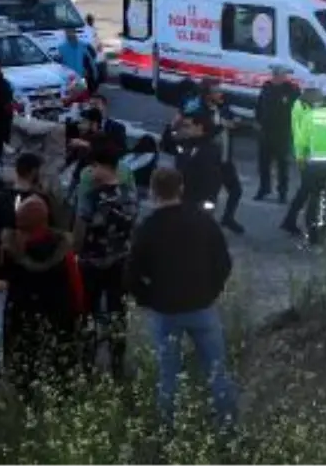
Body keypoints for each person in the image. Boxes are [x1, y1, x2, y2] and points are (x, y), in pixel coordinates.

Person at [127, 168, 236, 428]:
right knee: (216, 370)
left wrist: (149, 298)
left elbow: (131, 274)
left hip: (166, 310)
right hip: (201, 305)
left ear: (153, 192)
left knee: (169, 375)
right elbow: (223, 261)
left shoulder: (149, 228)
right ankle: (228, 427)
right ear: (182, 189)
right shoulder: (202, 220)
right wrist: (212, 289)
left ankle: (168, 432)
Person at [0, 196, 83, 401]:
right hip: (57, 309)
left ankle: (26, 396)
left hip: (23, 310)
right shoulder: (62, 247)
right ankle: (62, 395)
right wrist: (80, 308)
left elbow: (5, 278)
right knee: (59, 356)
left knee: (25, 355)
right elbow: (75, 281)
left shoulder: (11, 247)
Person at [73, 146, 138, 378]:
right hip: (120, 261)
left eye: (93, 167)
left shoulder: (92, 197)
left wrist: (74, 253)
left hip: (91, 263)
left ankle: (86, 363)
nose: (91, 171)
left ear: (102, 166)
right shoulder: (130, 194)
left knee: (87, 312)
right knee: (117, 312)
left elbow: (79, 233)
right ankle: (117, 363)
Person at [0, 153, 52, 349]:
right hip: (26, 268)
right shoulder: (41, 202)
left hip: (0, 263)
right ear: (34, 172)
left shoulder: (0, 197)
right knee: (17, 315)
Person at [282, 88, 326, 241]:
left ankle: (313, 234)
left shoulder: (308, 115)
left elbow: (301, 140)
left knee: (314, 197)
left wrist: (300, 157)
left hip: (313, 162)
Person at [192, 82, 243, 233]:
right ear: (207, 95)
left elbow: (232, 121)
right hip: (210, 162)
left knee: (236, 190)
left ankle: (228, 218)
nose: (220, 94)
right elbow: (202, 132)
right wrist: (221, 125)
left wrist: (233, 123)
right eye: (216, 91)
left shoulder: (224, 108)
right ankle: (203, 225)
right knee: (209, 196)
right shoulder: (200, 111)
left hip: (225, 159)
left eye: (220, 91)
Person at [254, 65, 299, 203]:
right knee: (263, 163)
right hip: (266, 130)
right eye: (280, 75)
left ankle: (282, 192)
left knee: (282, 164)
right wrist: (257, 120)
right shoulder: (267, 87)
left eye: (284, 75)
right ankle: (264, 189)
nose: (283, 77)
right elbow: (260, 104)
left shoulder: (292, 89)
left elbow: (298, 109)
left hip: (283, 132)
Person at [163, 113, 221, 211]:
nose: (185, 129)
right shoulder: (186, 144)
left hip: (198, 201)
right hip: (181, 198)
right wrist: (171, 127)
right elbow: (167, 146)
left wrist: (208, 201)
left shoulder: (211, 150)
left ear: (199, 127)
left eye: (188, 126)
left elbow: (213, 178)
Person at [57, 29, 98, 93]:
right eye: (68, 33)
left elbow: (91, 61)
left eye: (72, 33)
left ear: (75, 34)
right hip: (68, 78)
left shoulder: (84, 45)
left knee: (82, 95)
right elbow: (59, 64)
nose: (70, 35)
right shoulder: (61, 48)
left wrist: (94, 74)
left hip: (81, 76)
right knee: (71, 96)